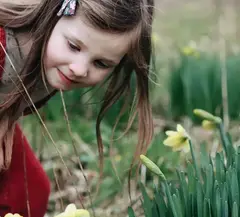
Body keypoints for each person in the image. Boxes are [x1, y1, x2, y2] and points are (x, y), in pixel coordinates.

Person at [0, 0, 155, 216]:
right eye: (73, 46)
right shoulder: (4, 45)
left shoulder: (54, 61)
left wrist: (6, 120)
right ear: (54, 14)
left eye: (101, 63)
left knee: (29, 192)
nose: (79, 69)